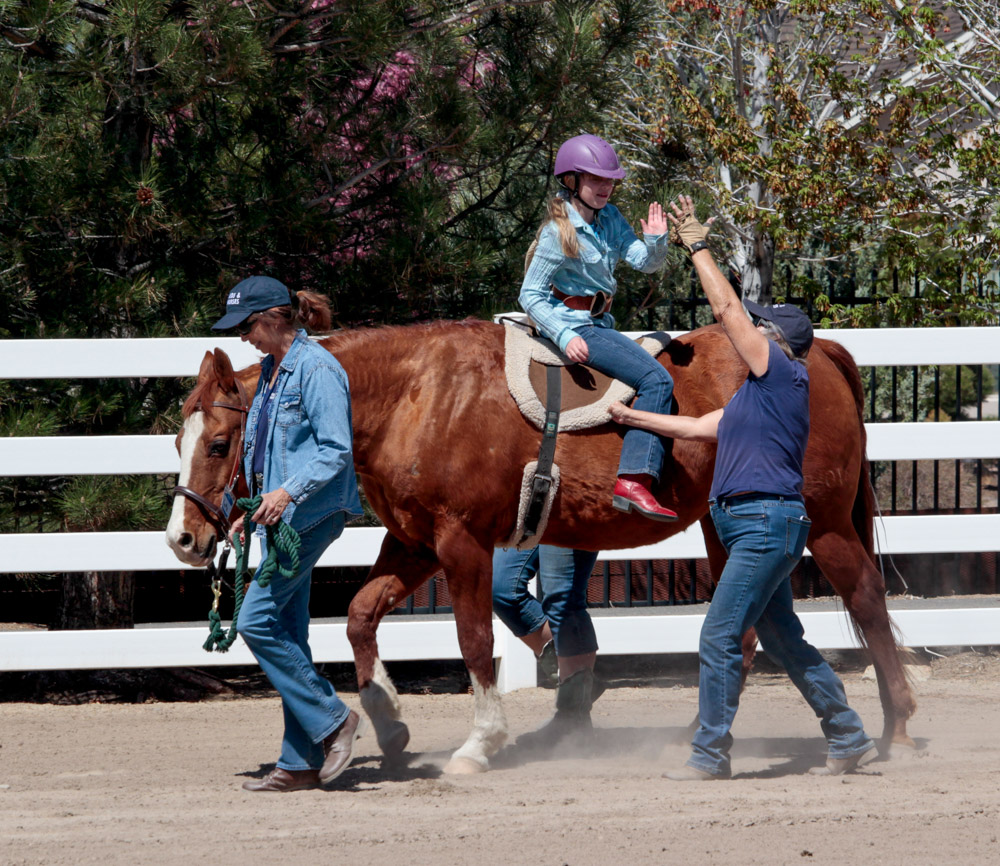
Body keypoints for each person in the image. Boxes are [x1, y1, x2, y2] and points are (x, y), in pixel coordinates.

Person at [609, 197, 876, 780]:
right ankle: (849, 736)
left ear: (775, 342)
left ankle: (709, 755)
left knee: (720, 634)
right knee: (783, 637)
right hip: (754, 526)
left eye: (759, 327)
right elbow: (705, 427)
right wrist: (635, 421)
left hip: (762, 524)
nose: (746, 329)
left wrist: (697, 246)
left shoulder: (780, 371)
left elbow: (728, 309)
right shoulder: (761, 394)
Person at [212, 275, 365, 793]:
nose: (243, 338)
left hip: (310, 516)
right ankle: (298, 763)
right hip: (280, 517)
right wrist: (246, 506)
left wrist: (286, 494)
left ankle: (335, 718)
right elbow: (263, 454)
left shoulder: (317, 369)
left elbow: (335, 449)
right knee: (287, 632)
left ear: (275, 318)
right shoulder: (275, 370)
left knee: (255, 620)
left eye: (247, 326)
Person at [519, 133, 678, 522]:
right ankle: (634, 480)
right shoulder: (560, 232)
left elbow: (644, 261)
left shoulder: (611, 219)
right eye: (596, 179)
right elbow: (530, 295)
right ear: (572, 181)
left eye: (610, 180)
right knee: (657, 382)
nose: (606, 187)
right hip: (579, 327)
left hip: (599, 323)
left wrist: (656, 241)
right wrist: (565, 334)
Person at [492, 545, 601, 747]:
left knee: (564, 599)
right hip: (526, 513)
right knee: (500, 588)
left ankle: (573, 722)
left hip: (566, 514)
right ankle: (582, 679)